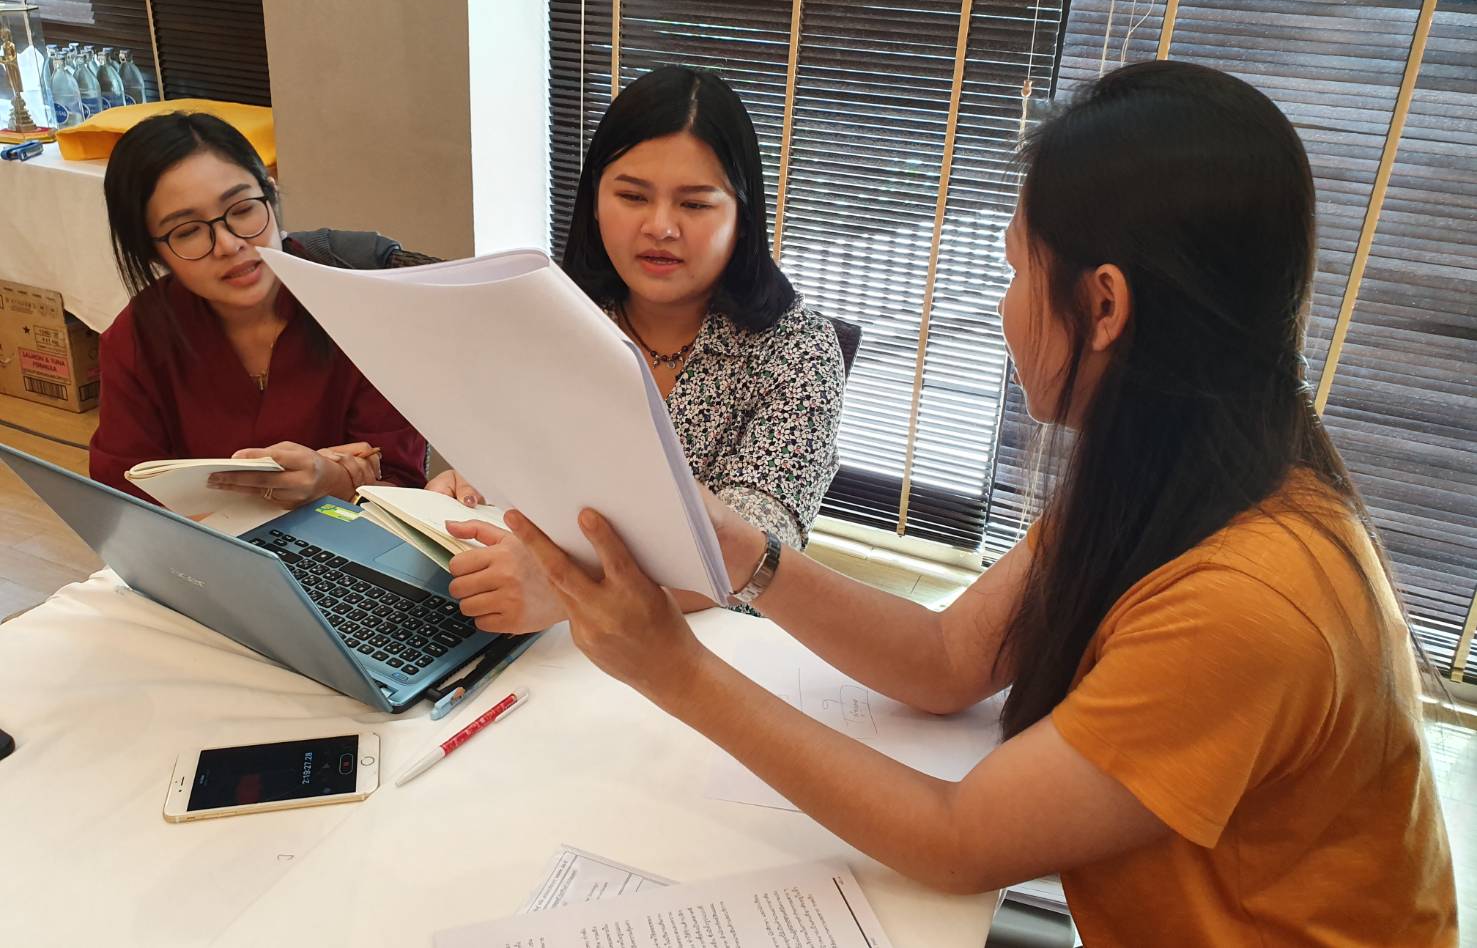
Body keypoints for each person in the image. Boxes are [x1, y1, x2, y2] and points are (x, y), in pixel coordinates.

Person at [497, 62, 1457, 945]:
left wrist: (674, 671)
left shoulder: (1247, 600)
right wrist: (749, 551)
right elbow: (948, 661)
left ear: (1104, 306)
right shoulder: (1177, 478)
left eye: (1013, 269)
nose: (1002, 306)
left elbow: (957, 841)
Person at [438, 66, 846, 632]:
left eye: (695, 205)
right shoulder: (553, 317)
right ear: (594, 201)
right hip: (532, 633)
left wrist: (569, 591)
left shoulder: (797, 352)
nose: (660, 227)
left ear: (742, 216)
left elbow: (755, 563)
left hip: (701, 648)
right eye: (632, 196)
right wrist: (470, 485)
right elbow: (513, 462)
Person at [89, 112, 428, 507]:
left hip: (351, 540)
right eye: (188, 231)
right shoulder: (137, 340)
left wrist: (334, 482)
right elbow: (124, 497)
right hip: (200, 543)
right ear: (152, 252)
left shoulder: (361, 309)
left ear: (271, 194)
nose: (229, 244)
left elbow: (405, 490)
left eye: (242, 209)